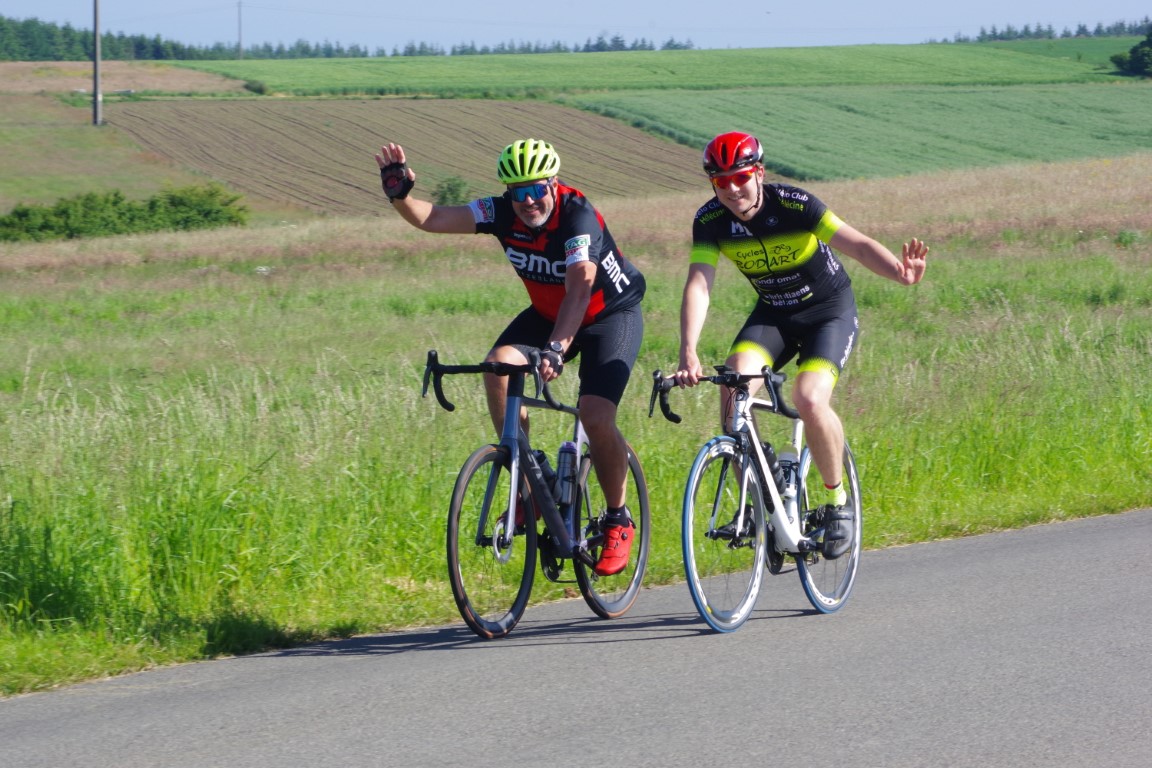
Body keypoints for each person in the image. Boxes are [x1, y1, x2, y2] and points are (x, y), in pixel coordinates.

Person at [375, 138, 647, 576]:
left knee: (595, 415)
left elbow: (580, 288)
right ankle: (532, 480)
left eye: (536, 189)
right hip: (549, 313)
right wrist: (401, 196)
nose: (528, 201)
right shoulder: (501, 212)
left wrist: (557, 348)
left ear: (554, 183)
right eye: (518, 192)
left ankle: (618, 519)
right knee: (497, 366)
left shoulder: (577, 216)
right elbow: (434, 218)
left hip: (608, 315)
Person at [673, 131, 928, 558]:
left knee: (809, 398)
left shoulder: (794, 204)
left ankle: (838, 502)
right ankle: (762, 499)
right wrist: (688, 350)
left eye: (740, 177)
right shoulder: (710, 220)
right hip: (775, 314)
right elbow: (700, 284)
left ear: (759, 173)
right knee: (733, 391)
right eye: (721, 181)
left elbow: (857, 244)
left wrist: (899, 273)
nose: (732, 189)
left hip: (828, 312)